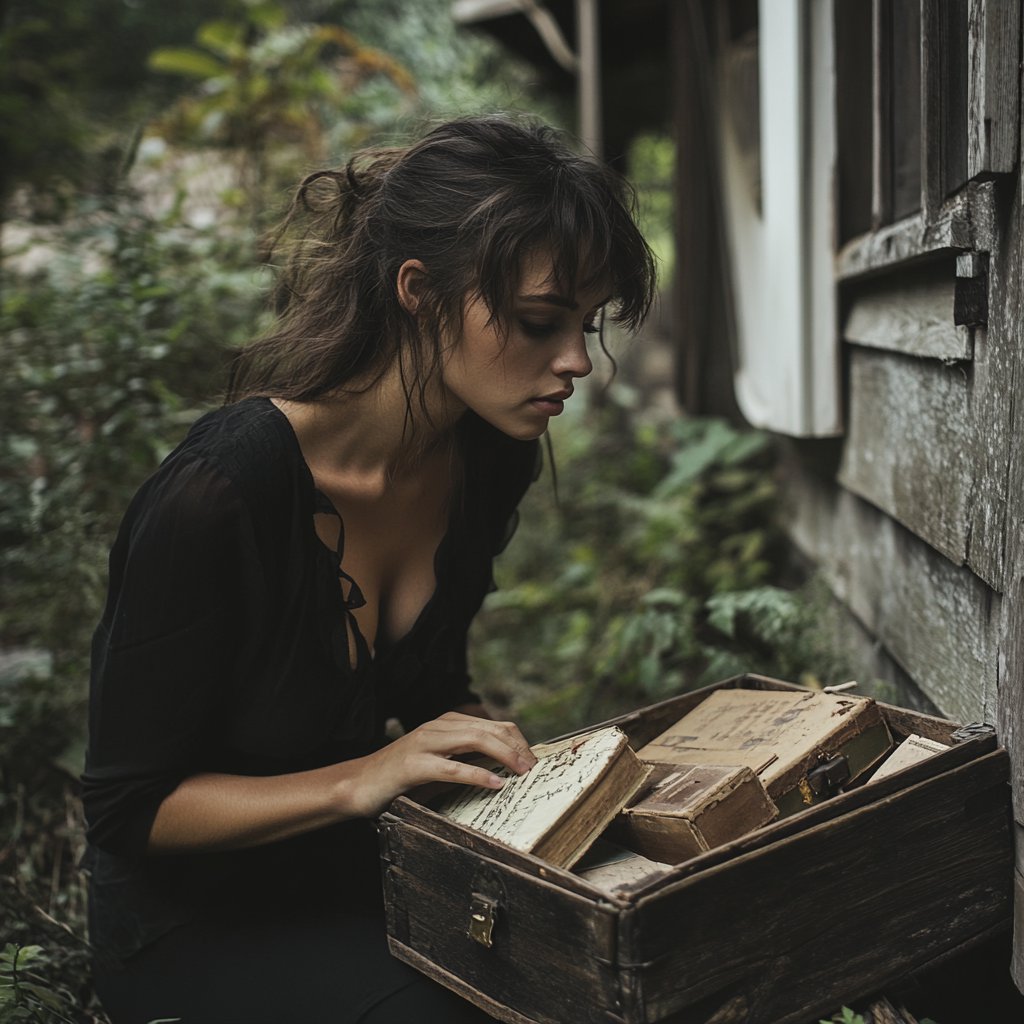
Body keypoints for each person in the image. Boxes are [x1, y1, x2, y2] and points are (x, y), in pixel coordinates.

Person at [81, 114, 656, 1023]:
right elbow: (129, 812)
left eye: (587, 325)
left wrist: (524, 767)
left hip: (369, 869)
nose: (576, 361)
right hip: (194, 918)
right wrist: (365, 776)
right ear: (420, 290)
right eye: (542, 321)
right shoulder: (220, 493)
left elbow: (432, 689)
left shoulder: (484, 456)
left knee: (629, 964)